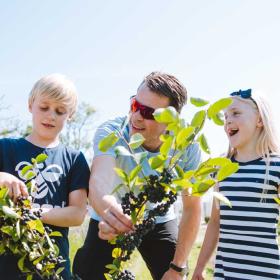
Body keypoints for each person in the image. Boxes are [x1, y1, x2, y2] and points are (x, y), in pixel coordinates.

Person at [73, 72, 202, 280]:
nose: (136, 116)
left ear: (171, 122)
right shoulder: (112, 132)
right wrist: (109, 213)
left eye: (148, 112)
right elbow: (99, 181)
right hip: (113, 217)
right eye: (135, 105)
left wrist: (177, 268)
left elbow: (192, 207)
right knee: (86, 273)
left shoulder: (187, 146)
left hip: (157, 219)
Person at [0, 74, 90, 280]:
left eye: (60, 111)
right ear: (31, 105)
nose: (51, 116)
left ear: (71, 115)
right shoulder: (5, 148)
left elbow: (77, 213)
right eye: (44, 107)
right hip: (6, 267)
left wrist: (31, 213)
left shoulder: (74, 159)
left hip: (53, 267)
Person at [192, 89, 280, 280]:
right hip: (226, 273)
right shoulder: (222, 168)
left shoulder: (275, 167)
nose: (227, 121)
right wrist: (199, 267)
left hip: (266, 273)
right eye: (225, 116)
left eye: (236, 113)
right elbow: (215, 222)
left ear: (260, 120)